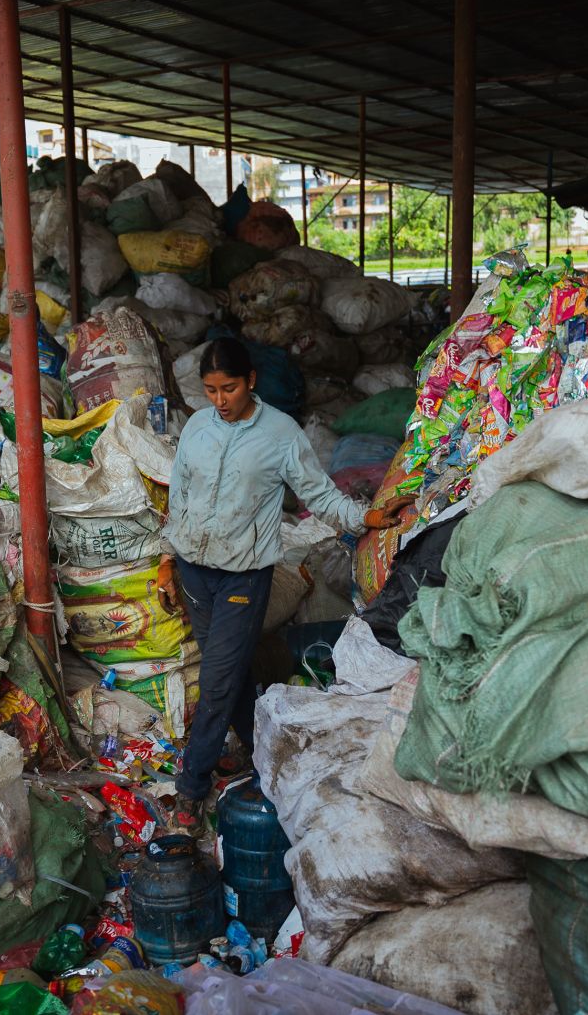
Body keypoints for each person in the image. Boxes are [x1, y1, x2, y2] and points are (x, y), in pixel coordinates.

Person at [158, 337, 414, 834]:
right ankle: (264, 755)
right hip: (194, 571)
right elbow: (181, 494)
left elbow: (318, 494)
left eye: (228, 388)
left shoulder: (281, 433)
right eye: (210, 390)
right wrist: (168, 560)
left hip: (243, 575)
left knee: (214, 682)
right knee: (226, 679)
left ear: (250, 381)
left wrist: (366, 516)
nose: (219, 401)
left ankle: (190, 789)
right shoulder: (195, 427)